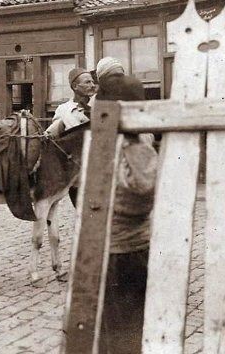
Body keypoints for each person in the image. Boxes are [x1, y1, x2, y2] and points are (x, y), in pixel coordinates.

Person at [97, 74, 157, 354]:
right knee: (107, 328)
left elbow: (142, 193)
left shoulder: (136, 144)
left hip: (126, 251)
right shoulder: (111, 140)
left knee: (126, 333)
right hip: (105, 248)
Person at [45, 67, 96, 206]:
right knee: (83, 211)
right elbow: (51, 136)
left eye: (92, 82)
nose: (92, 85)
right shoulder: (64, 110)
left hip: (98, 168)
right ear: (75, 86)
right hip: (77, 173)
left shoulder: (98, 105)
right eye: (87, 82)